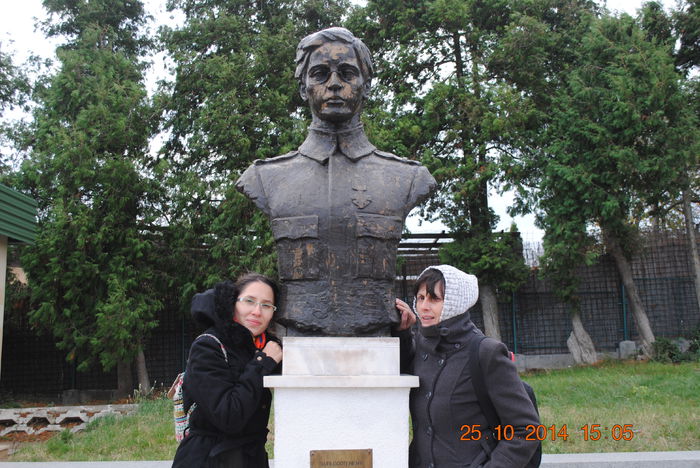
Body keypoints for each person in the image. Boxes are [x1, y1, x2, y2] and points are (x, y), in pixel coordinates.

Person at [236, 27, 436, 336]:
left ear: (365, 86)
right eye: (319, 74)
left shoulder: (407, 178)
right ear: (304, 88)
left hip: (376, 342)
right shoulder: (266, 177)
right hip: (301, 340)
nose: (334, 84)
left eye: (346, 74)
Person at [395, 265, 540, 468]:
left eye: (434, 299)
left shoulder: (486, 352)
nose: (424, 307)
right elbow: (397, 378)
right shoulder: (420, 348)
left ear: (455, 303)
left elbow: (527, 429)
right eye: (420, 298)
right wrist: (402, 332)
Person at [172, 273, 283, 468]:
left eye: (266, 305)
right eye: (249, 301)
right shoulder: (208, 346)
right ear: (232, 303)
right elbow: (228, 416)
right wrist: (262, 362)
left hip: (251, 458)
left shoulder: (262, 348)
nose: (257, 311)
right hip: (209, 460)